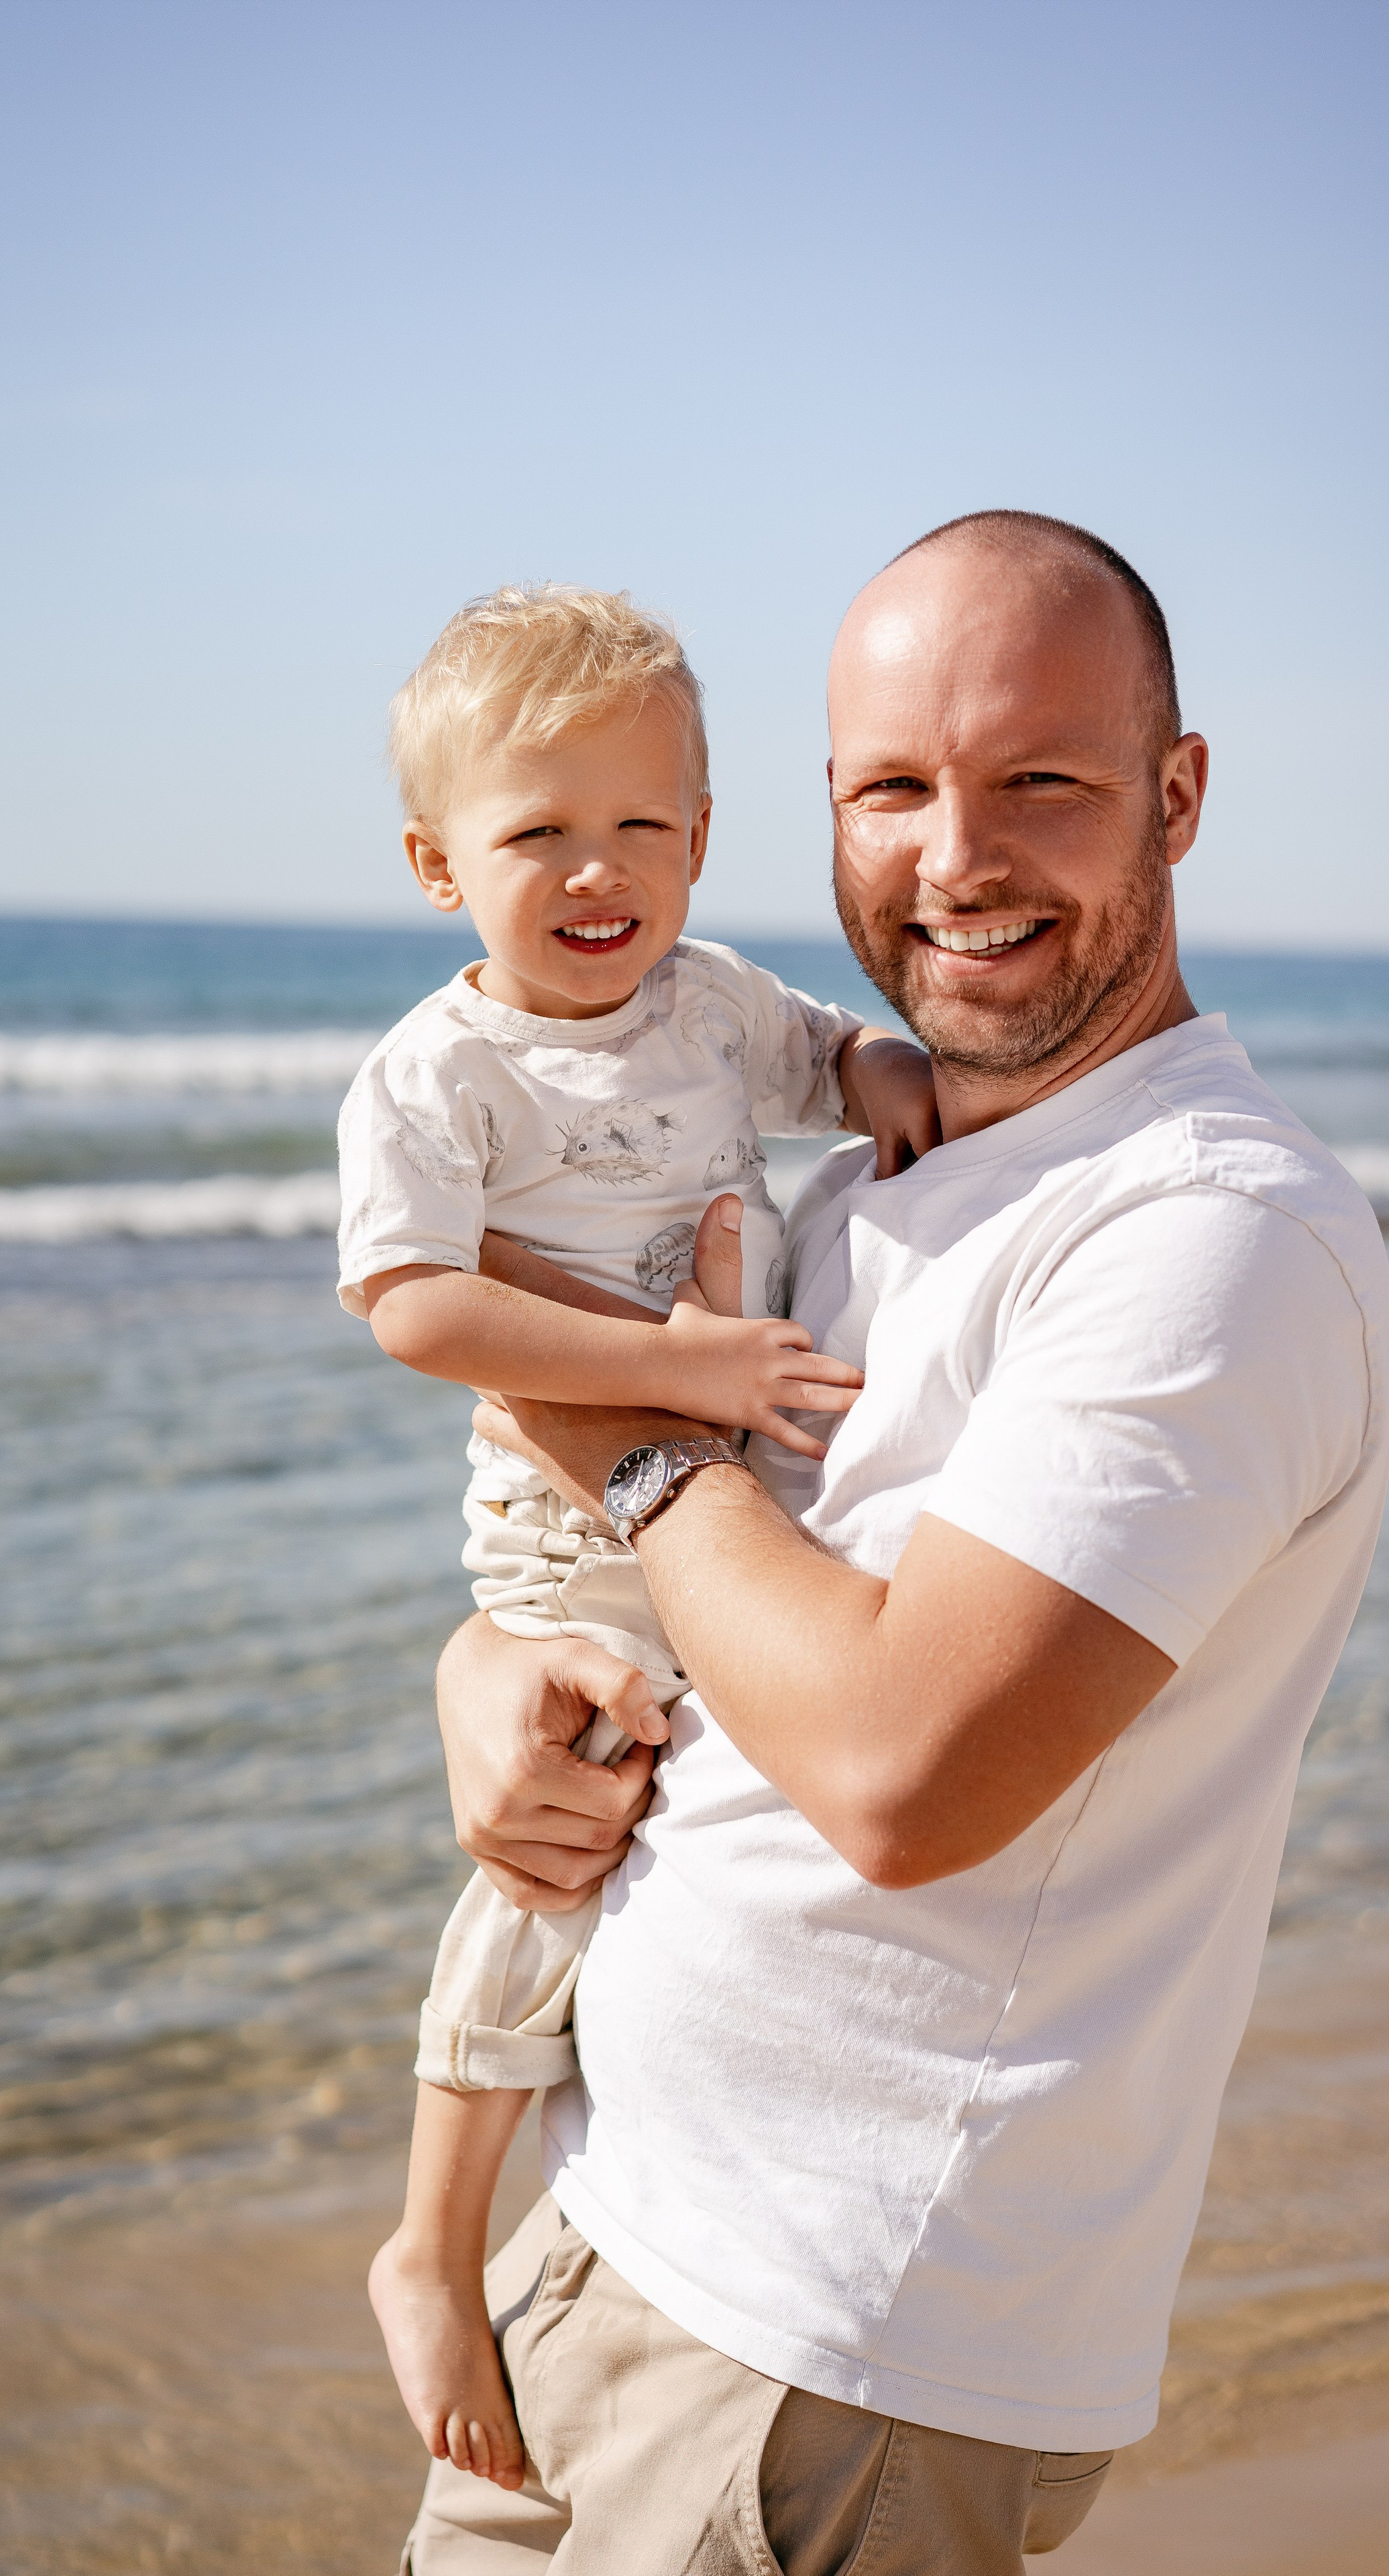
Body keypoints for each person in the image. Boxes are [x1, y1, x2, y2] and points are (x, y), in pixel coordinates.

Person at [400, 513, 1389, 2573]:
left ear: (1178, 797)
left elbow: (902, 1769)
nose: (959, 856)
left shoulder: (1213, 1232)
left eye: (1043, 778)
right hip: (637, 2244)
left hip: (822, 2350)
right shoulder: (879, 1175)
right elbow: (707, 1610)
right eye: (894, 788)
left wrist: (629, 1437)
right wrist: (489, 1684)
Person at [338, 583, 940, 2487]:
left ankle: (635, 2161)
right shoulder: (444, 1076)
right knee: (562, 1843)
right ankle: (432, 2243)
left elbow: (833, 1055)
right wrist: (661, 1360)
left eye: (644, 829)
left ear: (698, 835)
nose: (599, 875)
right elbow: (416, 1311)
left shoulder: (710, 1002)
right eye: (538, 835)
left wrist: (897, 1084)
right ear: (442, 864)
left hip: (727, 1502)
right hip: (565, 1531)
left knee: (685, 1848)